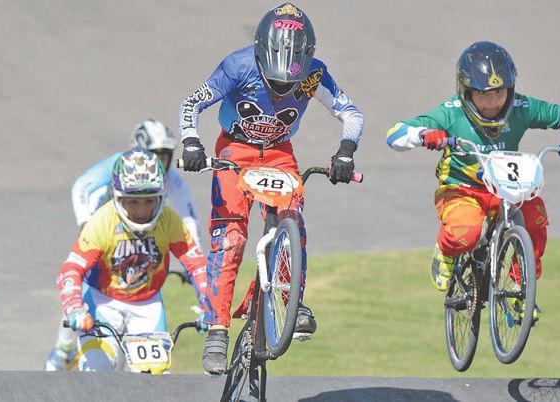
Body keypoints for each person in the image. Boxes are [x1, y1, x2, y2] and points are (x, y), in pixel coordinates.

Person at [179, 3, 364, 374]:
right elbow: (191, 104)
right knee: (230, 236)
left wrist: (346, 152)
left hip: (280, 153)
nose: (282, 89)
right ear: (262, 55)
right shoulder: (237, 66)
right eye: (274, 81)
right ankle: (217, 328)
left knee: (293, 217)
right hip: (233, 149)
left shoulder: (314, 75)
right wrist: (191, 143)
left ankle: (290, 295)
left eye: (288, 84)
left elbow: (351, 114)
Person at [386, 41, 560, 319]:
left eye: (499, 92)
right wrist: (424, 135)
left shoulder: (521, 107)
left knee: (535, 216)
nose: (494, 102)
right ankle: (445, 252)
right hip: (461, 190)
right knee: (466, 231)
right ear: (466, 92)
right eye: (484, 94)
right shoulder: (450, 111)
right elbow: (395, 135)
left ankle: (523, 286)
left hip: (507, 189)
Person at [44, 120, 207, 370]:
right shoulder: (101, 221)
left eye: (149, 201)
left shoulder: (170, 220)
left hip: (147, 304)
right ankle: (63, 351)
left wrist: (209, 306)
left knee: (154, 378)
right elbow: (70, 271)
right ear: (119, 197)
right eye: (133, 201)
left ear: (161, 197)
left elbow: (197, 264)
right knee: (98, 374)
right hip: (101, 300)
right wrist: (75, 308)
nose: (141, 210)